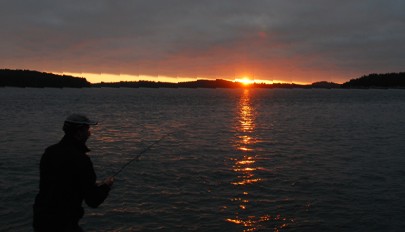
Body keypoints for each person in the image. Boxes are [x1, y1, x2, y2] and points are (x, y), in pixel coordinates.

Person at [33, 114, 114, 232]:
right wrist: (106, 185)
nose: (89, 133)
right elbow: (93, 201)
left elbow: (60, 182)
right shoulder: (81, 159)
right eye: (87, 129)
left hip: (41, 219)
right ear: (79, 133)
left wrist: (89, 185)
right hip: (63, 223)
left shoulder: (50, 152)